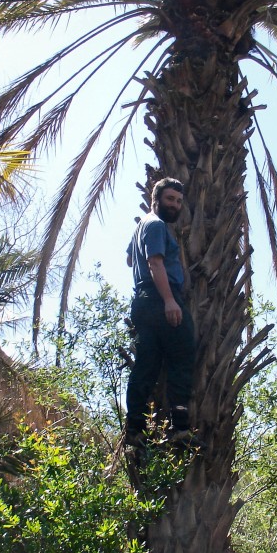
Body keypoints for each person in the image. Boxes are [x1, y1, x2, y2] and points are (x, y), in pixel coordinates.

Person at [124, 178, 197, 447]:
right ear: (155, 199)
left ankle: (135, 428)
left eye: (178, 201)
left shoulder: (142, 226)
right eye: (169, 199)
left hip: (142, 302)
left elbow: (131, 258)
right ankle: (180, 428)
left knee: (147, 364)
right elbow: (155, 262)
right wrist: (169, 300)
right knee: (182, 353)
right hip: (159, 298)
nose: (175, 205)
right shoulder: (156, 224)